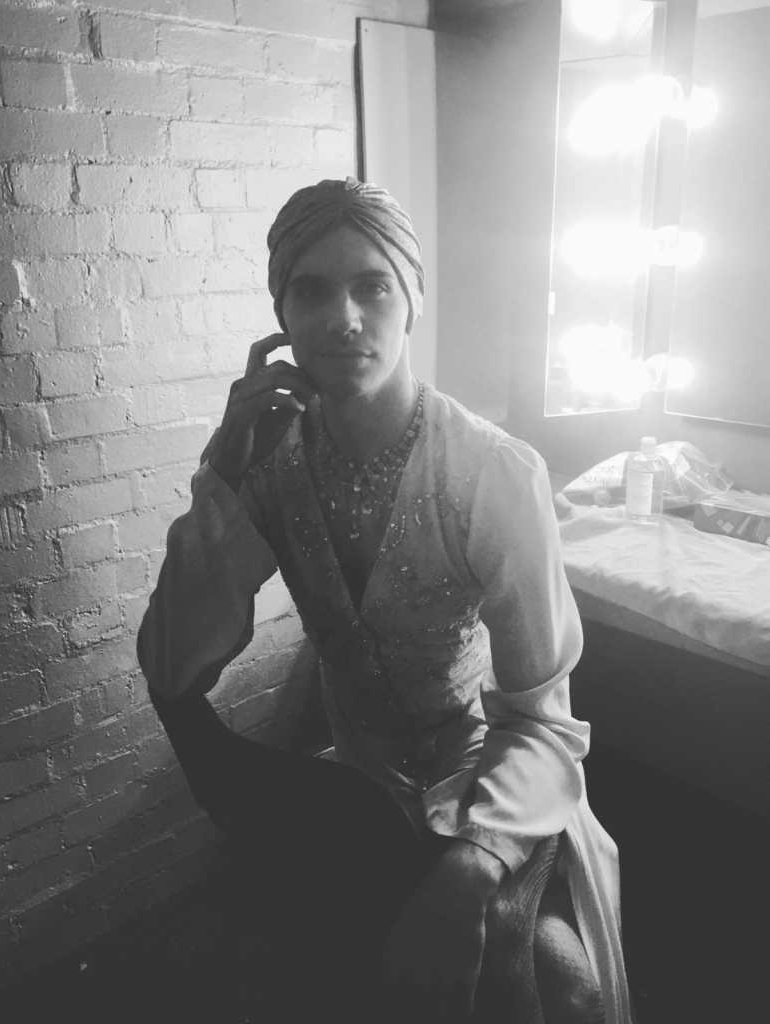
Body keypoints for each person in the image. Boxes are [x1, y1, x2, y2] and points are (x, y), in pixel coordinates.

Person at [137, 178, 633, 1024]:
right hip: (358, 792)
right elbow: (172, 668)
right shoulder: (268, 466)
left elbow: (542, 720)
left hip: (493, 780)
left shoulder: (490, 471)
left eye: (372, 285)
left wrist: (472, 864)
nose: (344, 318)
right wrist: (221, 473)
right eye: (311, 290)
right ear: (280, 316)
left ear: (413, 300)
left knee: (559, 987)